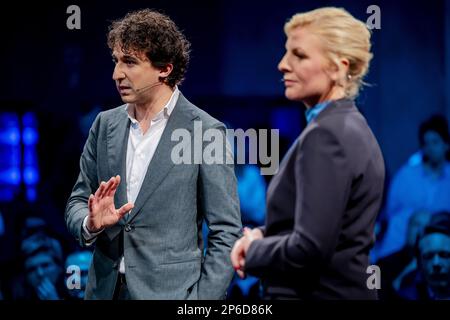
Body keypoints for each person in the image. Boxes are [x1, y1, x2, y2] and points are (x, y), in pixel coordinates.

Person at [65, 9, 241, 300]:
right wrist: (90, 223)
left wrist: (200, 302)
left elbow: (226, 231)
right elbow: (78, 201)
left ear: (165, 69)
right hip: (104, 291)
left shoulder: (205, 131)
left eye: (130, 62)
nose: (116, 74)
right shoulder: (105, 124)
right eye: (116, 61)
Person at [231, 7, 385, 299]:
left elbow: (310, 248)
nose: (282, 65)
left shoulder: (326, 135)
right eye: (286, 53)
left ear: (338, 68)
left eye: (298, 55)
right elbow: (324, 229)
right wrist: (264, 234)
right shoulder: (348, 124)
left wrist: (254, 249)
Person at [375, 115, 450, 259]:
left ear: (446, 145)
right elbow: (390, 212)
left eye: (435, 142)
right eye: (426, 143)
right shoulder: (407, 175)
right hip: (399, 248)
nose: (430, 148)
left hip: (438, 251)